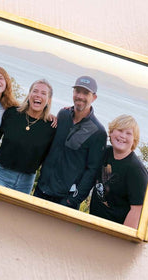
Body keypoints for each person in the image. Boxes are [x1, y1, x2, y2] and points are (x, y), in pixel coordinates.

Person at [34, 75, 106, 209]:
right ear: (73, 93)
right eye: (77, 91)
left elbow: (92, 171)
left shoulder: (98, 132)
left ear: (94, 97)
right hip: (41, 190)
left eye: (86, 93)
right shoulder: (63, 115)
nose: (80, 96)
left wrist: (72, 201)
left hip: (65, 201)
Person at [0, 79, 56, 194]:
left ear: (49, 100)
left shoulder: (52, 127)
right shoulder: (12, 114)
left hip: (25, 183)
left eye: (43, 93)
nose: (38, 95)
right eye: (35, 91)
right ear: (29, 95)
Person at [89, 114, 148, 228]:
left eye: (128, 133)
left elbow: (137, 210)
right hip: (93, 225)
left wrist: (123, 239)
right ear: (111, 132)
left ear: (134, 140)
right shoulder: (104, 152)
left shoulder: (136, 170)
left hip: (113, 233)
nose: (122, 136)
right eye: (120, 130)